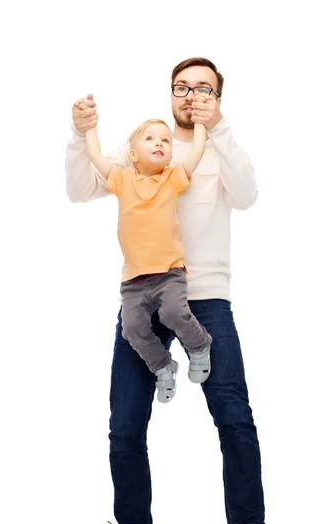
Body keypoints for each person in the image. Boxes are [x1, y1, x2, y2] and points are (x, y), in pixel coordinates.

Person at [65, 57, 276, 524]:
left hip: (204, 297)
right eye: (182, 87)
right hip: (141, 297)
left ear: (218, 97)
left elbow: (247, 195)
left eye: (203, 89)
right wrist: (80, 135)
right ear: (171, 93)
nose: (191, 96)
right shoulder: (148, 143)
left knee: (234, 418)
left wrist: (217, 128)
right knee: (125, 424)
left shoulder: (217, 146)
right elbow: (81, 188)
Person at [81, 111, 213, 402]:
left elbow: (198, 150)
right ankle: (163, 365)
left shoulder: (173, 178)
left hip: (169, 272)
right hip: (133, 279)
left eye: (165, 140)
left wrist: (201, 121)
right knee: (132, 328)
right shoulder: (121, 179)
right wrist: (88, 127)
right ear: (133, 155)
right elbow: (94, 153)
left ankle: (200, 345)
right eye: (150, 138)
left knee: (173, 314)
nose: (160, 143)